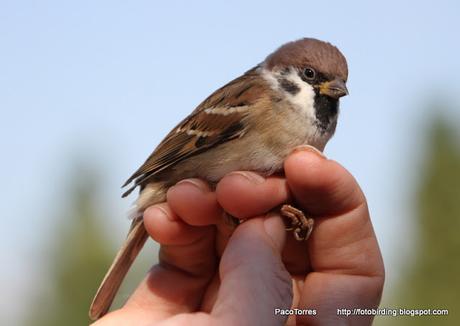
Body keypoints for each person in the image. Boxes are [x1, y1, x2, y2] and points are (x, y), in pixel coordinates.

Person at [92, 147, 385, 325]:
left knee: (241, 199)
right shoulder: (258, 98)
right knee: (235, 198)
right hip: (174, 175)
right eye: (311, 77)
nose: (334, 90)